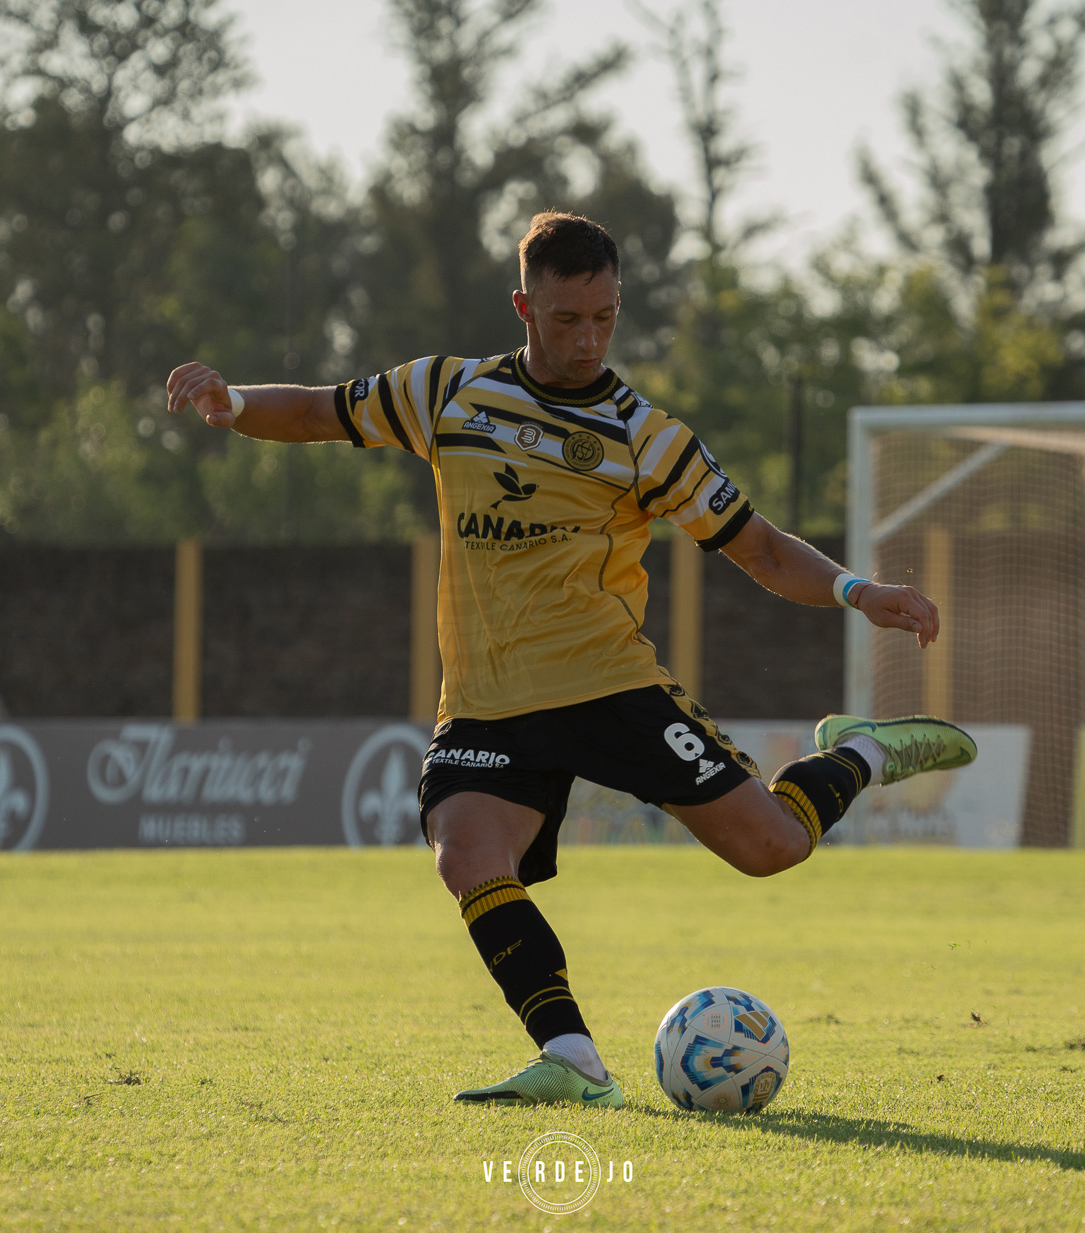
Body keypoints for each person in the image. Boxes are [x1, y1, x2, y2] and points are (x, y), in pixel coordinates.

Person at [166, 211, 976, 1107]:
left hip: (608, 685)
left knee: (772, 848)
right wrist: (233, 404)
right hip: (484, 699)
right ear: (523, 305)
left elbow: (762, 548)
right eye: (567, 319)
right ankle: (573, 1057)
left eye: (605, 317)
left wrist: (857, 591)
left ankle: (859, 750)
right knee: (465, 850)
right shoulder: (448, 393)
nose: (588, 338)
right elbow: (323, 410)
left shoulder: (646, 436)